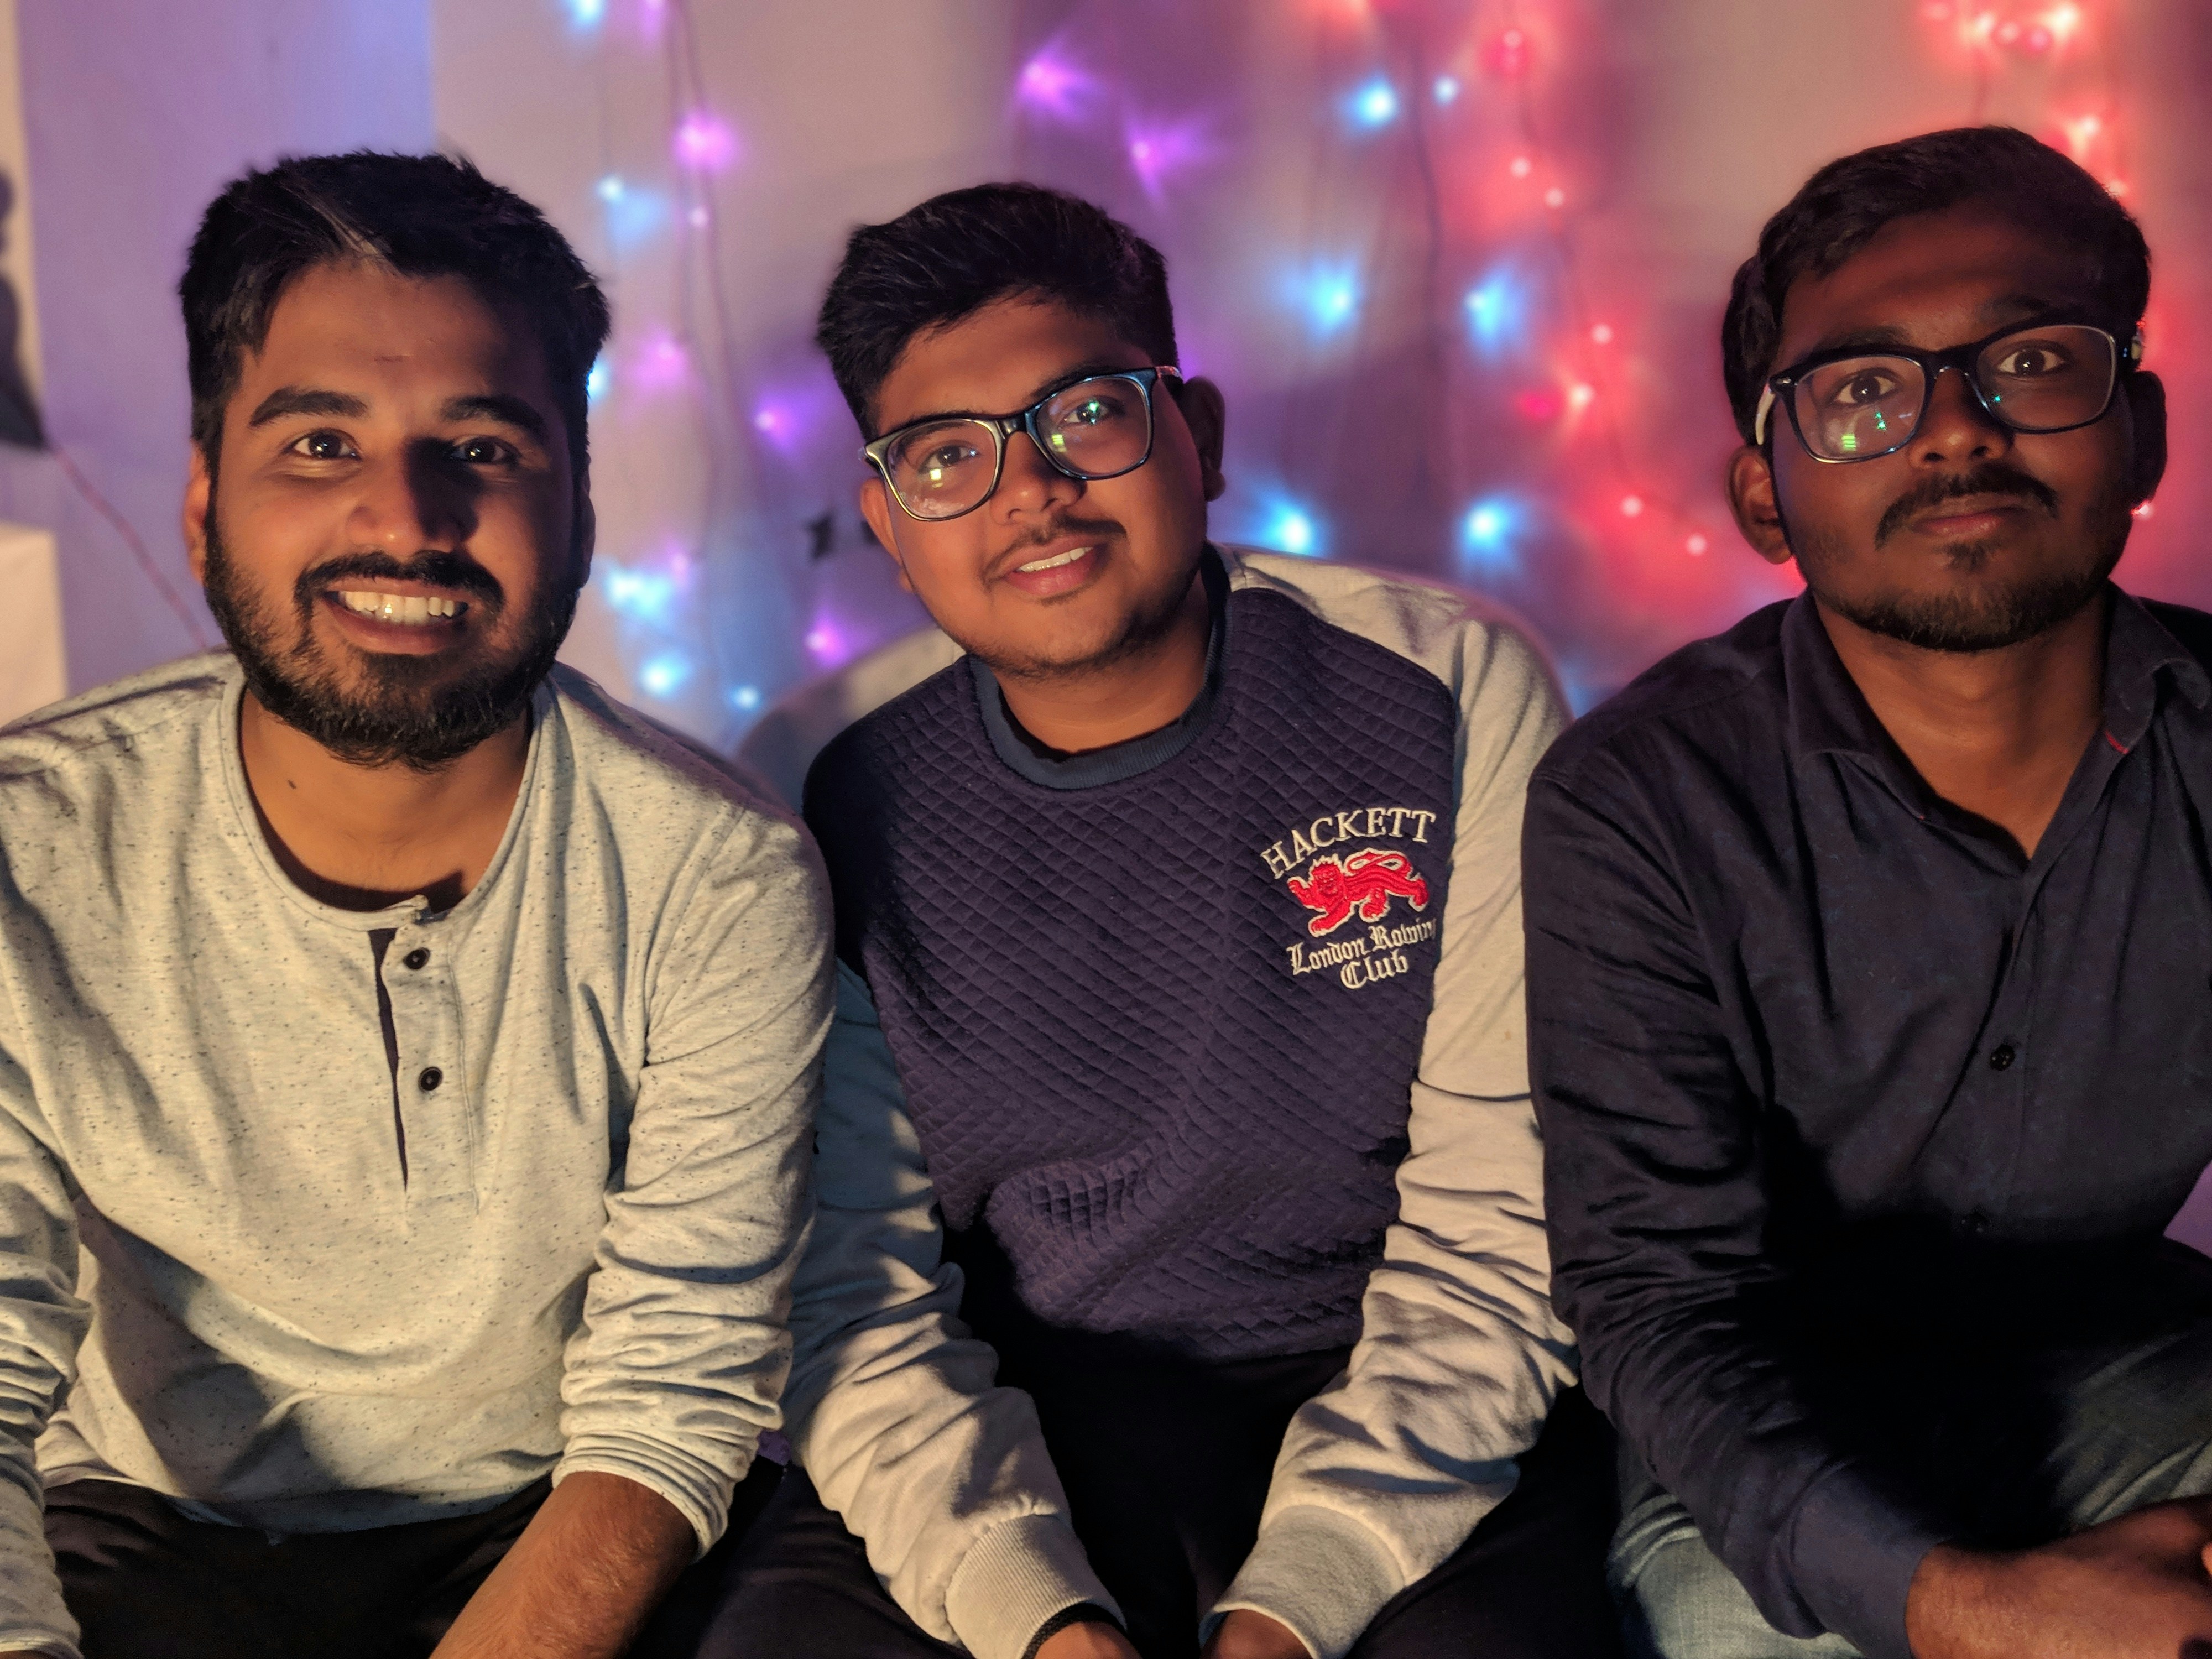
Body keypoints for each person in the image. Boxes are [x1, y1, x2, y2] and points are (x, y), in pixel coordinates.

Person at [693, 182, 1619, 1659]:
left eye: (1086, 415)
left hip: (1405, 1385)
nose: (1031, 491)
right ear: (888, 522)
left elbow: (1499, 1213)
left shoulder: (1443, 684)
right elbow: (851, 1278)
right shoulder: (815, 776)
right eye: (948, 455)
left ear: (1199, 433)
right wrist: (1034, 1611)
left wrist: (1306, 1590)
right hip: (1006, 1411)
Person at [0, 153, 831, 1659]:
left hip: (563, 1507)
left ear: (580, 514)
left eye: (484, 447)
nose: (407, 517)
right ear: (205, 504)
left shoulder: (718, 876)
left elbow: (675, 1391)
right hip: (152, 1523)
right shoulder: (29, 852)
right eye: (320, 442)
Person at [1523, 126, 2212, 1659]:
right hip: (1773, 1431)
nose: (1956, 431)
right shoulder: (1639, 798)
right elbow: (1655, 1300)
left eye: (2030, 363)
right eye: (1862, 393)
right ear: (1765, 497)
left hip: (2145, 1365)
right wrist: (1962, 1608)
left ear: (2144, 433)